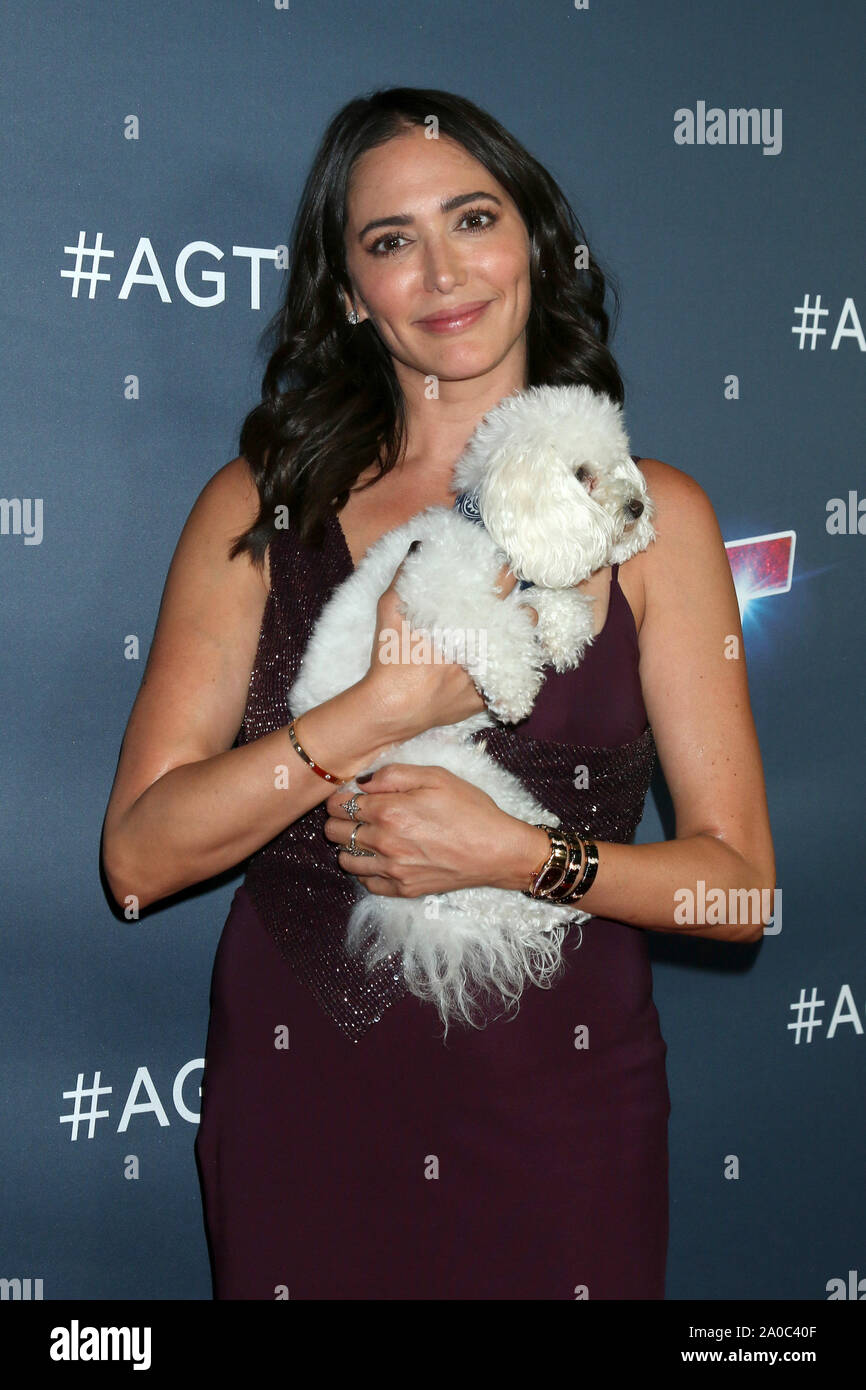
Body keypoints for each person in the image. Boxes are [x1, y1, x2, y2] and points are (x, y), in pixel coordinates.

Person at [101, 86, 776, 1300]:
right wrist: (374, 712)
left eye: (471, 218)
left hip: (559, 1116)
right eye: (389, 241)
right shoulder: (258, 506)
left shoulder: (654, 520)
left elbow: (737, 893)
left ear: (532, 242)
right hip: (304, 1099)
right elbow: (140, 862)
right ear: (351, 293)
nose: (443, 271)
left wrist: (521, 856)